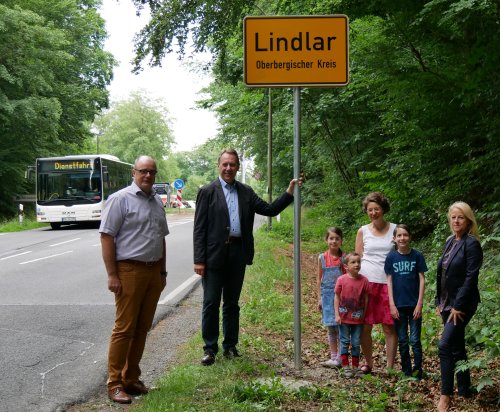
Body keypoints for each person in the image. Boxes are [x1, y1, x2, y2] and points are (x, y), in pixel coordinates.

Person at [193, 148, 301, 366]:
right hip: (214, 256)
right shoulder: (208, 191)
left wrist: (289, 192)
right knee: (211, 303)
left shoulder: (246, 192)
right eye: (225, 164)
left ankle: (230, 346)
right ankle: (210, 348)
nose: (228, 168)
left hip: (237, 254)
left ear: (238, 167)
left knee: (232, 304)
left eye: (232, 164)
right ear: (218, 166)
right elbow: (199, 228)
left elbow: (269, 209)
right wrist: (199, 259)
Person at [99, 155, 169, 404]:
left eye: (152, 171)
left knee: (142, 328)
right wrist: (112, 274)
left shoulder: (157, 202)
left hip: (152, 272)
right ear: (133, 172)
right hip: (128, 271)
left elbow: (161, 238)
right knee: (124, 329)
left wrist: (162, 272)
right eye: (143, 171)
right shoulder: (120, 199)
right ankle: (114, 383)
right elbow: (106, 236)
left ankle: (131, 378)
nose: (148, 175)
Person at [436, 202, 483, 412]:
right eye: (453, 217)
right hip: (446, 303)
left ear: (468, 220)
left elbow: (471, 277)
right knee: (456, 345)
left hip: (462, 305)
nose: (456, 221)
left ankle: (445, 396)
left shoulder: (471, 244)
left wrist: (457, 306)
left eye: (461, 217)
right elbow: (442, 273)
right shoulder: (449, 241)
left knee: (444, 346)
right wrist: (439, 301)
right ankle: (464, 389)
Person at [355, 192, 397, 374]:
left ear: (383, 209)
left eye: (376, 209)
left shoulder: (395, 229)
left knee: (389, 327)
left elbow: (400, 253)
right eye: (370, 210)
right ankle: (369, 363)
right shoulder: (362, 231)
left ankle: (389, 367)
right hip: (367, 283)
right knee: (366, 326)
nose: (373, 213)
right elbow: (357, 259)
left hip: (388, 283)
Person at [385, 224, 427, 379]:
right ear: (394, 239)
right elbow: (389, 281)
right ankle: (406, 370)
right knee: (403, 340)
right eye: (399, 235)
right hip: (398, 306)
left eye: (405, 235)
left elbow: (422, 279)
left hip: (414, 304)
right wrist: (392, 304)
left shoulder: (417, 256)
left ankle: (417, 371)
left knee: (415, 340)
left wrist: (420, 304)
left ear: (410, 237)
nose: (402, 238)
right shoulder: (391, 257)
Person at [334, 252, 369, 378]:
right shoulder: (341, 280)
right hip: (343, 318)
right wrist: (337, 314)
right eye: (353, 262)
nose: (357, 264)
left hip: (358, 318)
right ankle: (345, 366)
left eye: (358, 262)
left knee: (355, 342)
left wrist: (364, 314)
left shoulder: (364, 280)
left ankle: (355, 367)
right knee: (344, 341)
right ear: (346, 266)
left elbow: (366, 299)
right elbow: (337, 297)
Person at [317, 227, 345, 368]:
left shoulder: (344, 259)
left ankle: (341, 357)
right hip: (327, 297)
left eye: (337, 238)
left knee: (341, 328)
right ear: (326, 240)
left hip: (341, 298)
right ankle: (333, 356)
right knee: (330, 328)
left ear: (341, 241)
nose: (334, 241)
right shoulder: (322, 258)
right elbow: (319, 279)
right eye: (331, 238)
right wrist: (319, 297)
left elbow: (348, 279)